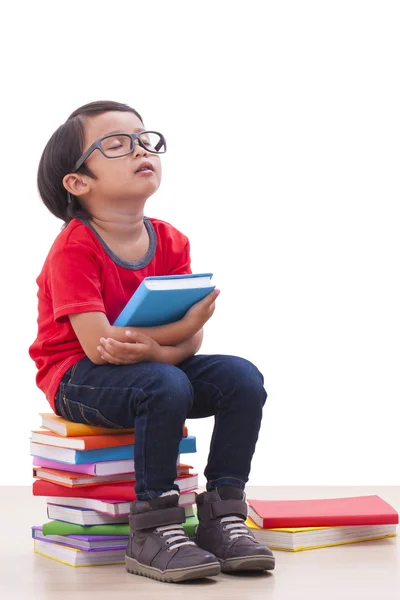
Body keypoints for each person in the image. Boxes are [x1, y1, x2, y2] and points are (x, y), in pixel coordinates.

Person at [29, 100, 274, 583]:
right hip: (79, 378)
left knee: (241, 378)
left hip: (153, 371)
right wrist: (170, 344)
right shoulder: (75, 245)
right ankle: (153, 528)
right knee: (164, 385)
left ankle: (223, 512)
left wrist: (159, 350)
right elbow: (99, 345)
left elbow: (194, 339)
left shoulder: (172, 240)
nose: (141, 149)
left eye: (145, 139)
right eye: (116, 145)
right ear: (79, 183)